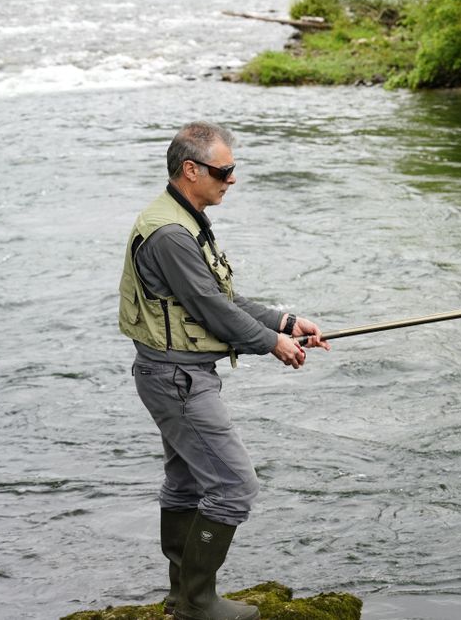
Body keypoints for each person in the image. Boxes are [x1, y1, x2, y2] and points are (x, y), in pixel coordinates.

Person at [118, 121, 329, 620]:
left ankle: (182, 598)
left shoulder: (183, 218)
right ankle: (196, 603)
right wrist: (274, 344)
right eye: (224, 170)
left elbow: (221, 299)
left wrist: (286, 321)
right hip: (178, 380)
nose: (231, 179)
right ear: (191, 171)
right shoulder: (171, 233)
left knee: (188, 482)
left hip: (175, 375)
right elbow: (211, 309)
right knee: (235, 487)